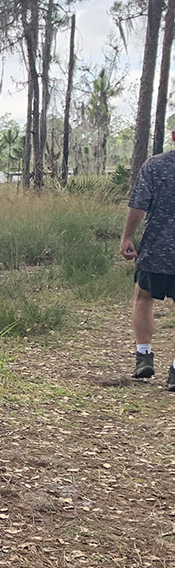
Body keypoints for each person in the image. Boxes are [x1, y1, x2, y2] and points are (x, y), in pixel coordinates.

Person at [121, 140, 175, 389]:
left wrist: (127, 236)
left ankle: (144, 356)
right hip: (159, 249)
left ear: (174, 136)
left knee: (143, 298)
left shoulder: (155, 165)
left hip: (157, 248)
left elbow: (138, 205)